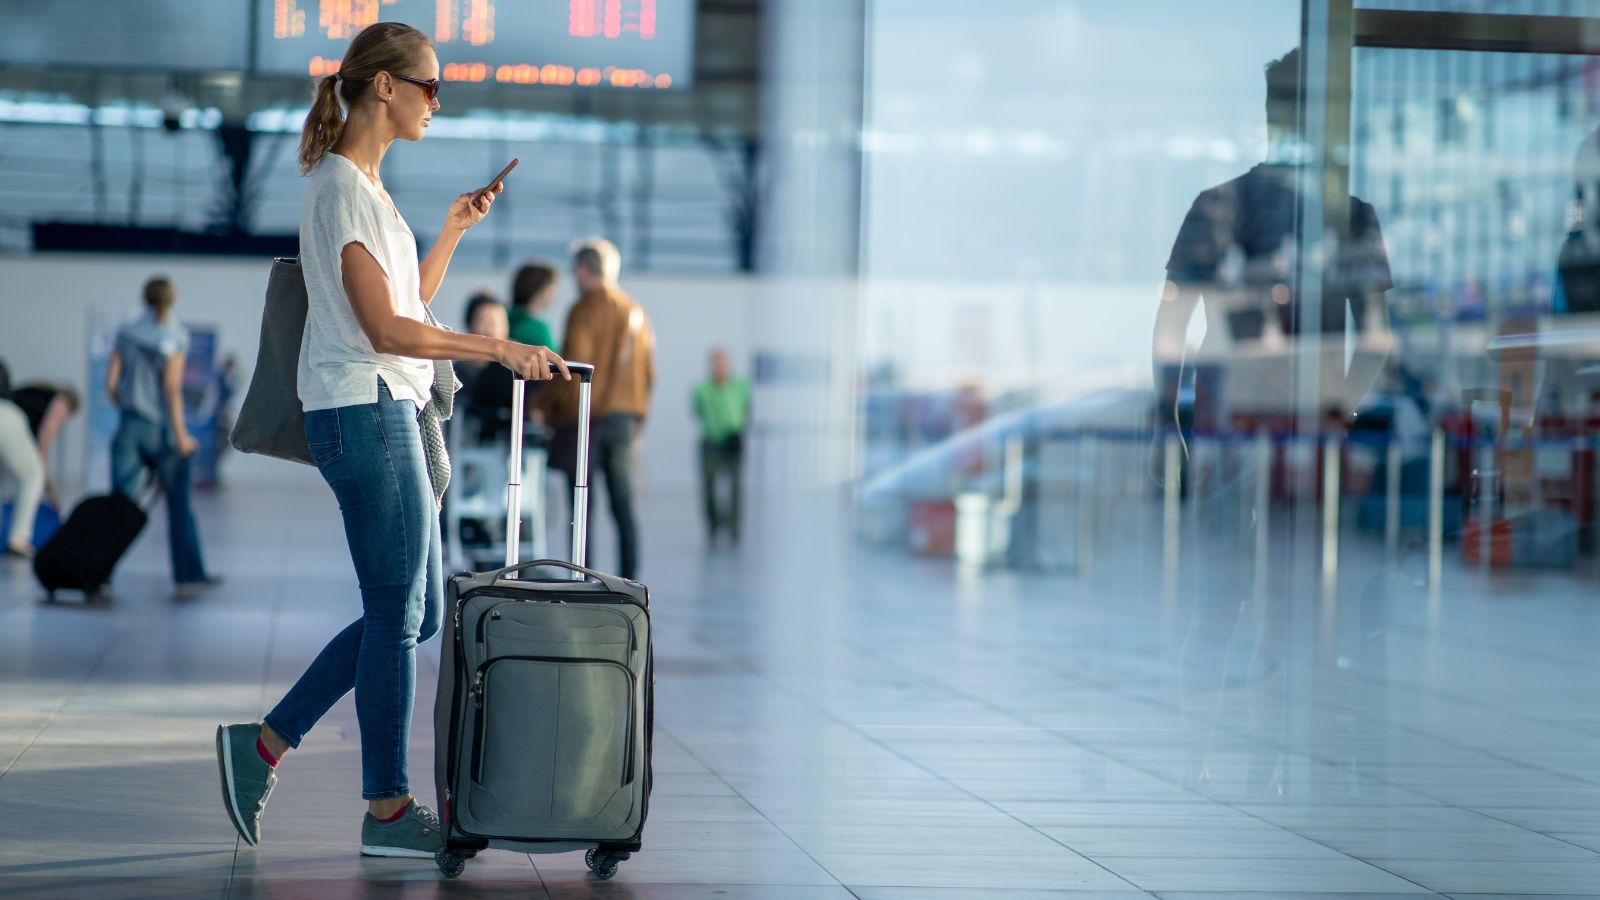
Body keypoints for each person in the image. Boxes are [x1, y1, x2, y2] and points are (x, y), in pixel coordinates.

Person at [212, 22, 568, 860]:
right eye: (431, 87)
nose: (437, 102)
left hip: (380, 408)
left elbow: (406, 307)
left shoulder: (369, 191)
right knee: (400, 611)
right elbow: (384, 330)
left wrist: (450, 232)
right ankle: (385, 809)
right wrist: (498, 347)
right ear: (385, 87)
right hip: (364, 410)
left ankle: (261, 746)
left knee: (409, 614)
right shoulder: (340, 189)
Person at [1153, 47, 1392, 793]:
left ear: (1267, 113)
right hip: (1311, 436)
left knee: (1217, 604)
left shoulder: (1218, 206)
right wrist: (1339, 407)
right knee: (1308, 607)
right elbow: (1379, 337)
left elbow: (1169, 337)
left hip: (1231, 431)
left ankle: (1194, 761)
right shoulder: (1350, 215)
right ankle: (1286, 763)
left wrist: (1179, 430)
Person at [538, 238, 655, 578]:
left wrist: (549, 407)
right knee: (623, 504)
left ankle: (583, 579)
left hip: (586, 419)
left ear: (584, 270)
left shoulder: (584, 308)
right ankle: (630, 584)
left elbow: (573, 368)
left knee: (582, 503)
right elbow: (649, 372)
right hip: (623, 420)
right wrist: (638, 420)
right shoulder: (636, 311)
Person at [107, 277, 219, 593]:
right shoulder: (175, 335)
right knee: (179, 506)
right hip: (162, 431)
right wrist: (181, 434)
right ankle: (189, 575)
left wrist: (128, 408)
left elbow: (111, 385)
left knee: (120, 505)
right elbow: (171, 388)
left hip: (129, 426)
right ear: (172, 299)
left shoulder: (126, 333)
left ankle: (102, 570)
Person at [692, 348, 750, 544]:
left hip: (734, 442)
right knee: (708, 488)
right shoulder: (701, 389)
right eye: (716, 363)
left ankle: (734, 527)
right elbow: (698, 411)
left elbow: (746, 408)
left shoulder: (740, 386)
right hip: (711, 443)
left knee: (736, 488)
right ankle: (713, 525)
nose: (720, 368)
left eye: (723, 363)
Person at [9, 382, 81, 509]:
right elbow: (40, 454)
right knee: (32, 475)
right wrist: (52, 492)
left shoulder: (43, 394)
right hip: (5, 422)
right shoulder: (60, 405)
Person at [0, 397, 43, 559]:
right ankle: (19, 539)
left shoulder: (34, 393)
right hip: (5, 415)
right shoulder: (62, 401)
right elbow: (46, 436)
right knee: (33, 476)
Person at [508, 260, 561, 353]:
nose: (556, 293)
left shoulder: (502, 317)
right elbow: (555, 363)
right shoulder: (539, 329)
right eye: (552, 286)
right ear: (540, 289)